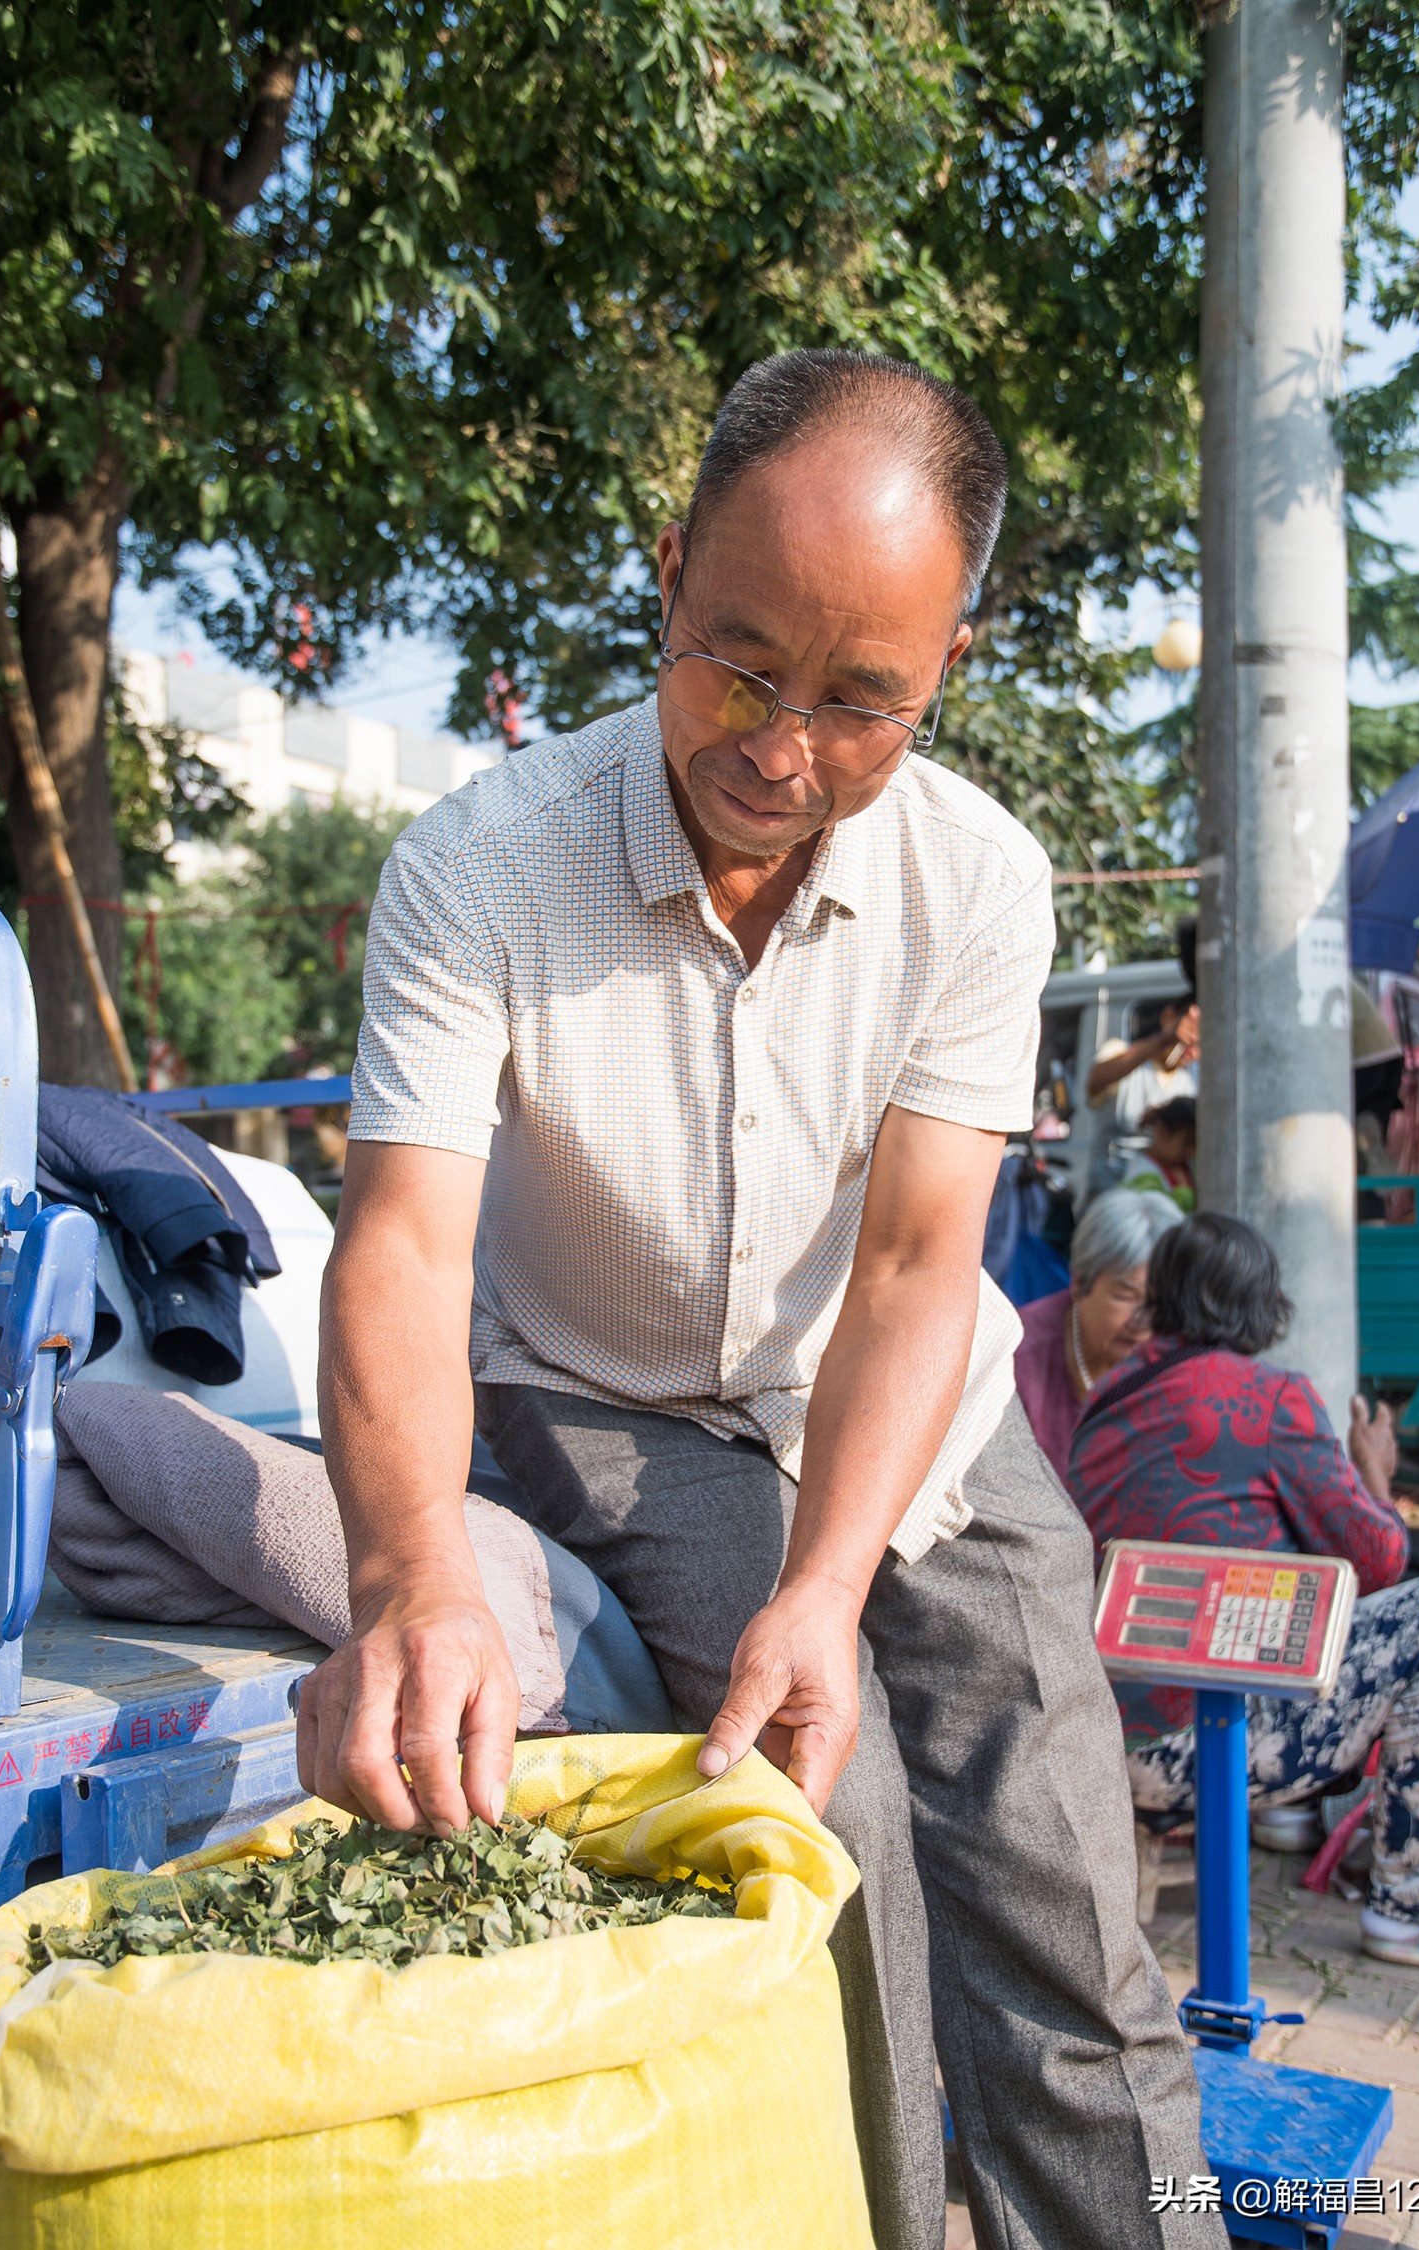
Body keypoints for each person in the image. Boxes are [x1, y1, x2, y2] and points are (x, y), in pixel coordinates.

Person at [301, 347, 1220, 2250]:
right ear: (665, 574)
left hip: (902, 1404)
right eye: (738, 660)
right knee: (831, 1840)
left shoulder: (982, 880)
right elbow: (403, 1244)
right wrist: (409, 1584)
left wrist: (829, 1578)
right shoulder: (478, 868)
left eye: (860, 700)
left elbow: (912, 1267)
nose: (782, 744)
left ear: (942, 671)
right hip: (615, 1396)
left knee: (1071, 1901)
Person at [1067, 1211, 1419, 1974]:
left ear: (1162, 1295)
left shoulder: (1109, 1397)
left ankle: (1302, 1825)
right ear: (1264, 1304)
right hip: (1200, 1744)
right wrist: (1376, 1474)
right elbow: (1382, 1556)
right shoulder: (1270, 1400)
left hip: (1099, 1737)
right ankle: (1418, 1907)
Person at [1014, 1188, 1183, 1481]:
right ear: (1079, 1283)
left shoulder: (1181, 1359)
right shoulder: (1017, 1355)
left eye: (1159, 1301)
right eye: (1125, 1296)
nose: (1143, 1321)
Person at [1080, 994, 1200, 1200]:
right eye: (1190, 1035)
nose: (1193, 1048)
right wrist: (1165, 1039)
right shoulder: (1121, 1053)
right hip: (1110, 1193)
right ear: (1169, 1017)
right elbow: (1096, 1080)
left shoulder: (1194, 1078)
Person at [1123, 1096, 1196, 1210]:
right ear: (1161, 1132)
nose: (1192, 1151)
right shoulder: (1142, 1173)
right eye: (1187, 1142)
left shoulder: (1185, 1166)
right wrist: (1186, 1194)